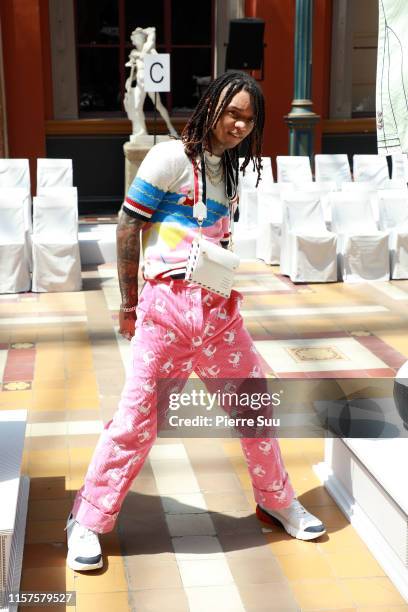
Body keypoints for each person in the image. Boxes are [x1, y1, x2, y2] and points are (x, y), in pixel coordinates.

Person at [66, 71, 325, 571]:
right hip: (166, 314)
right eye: (233, 113)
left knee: (254, 407)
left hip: (220, 316)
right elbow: (128, 223)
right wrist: (128, 304)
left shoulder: (230, 166)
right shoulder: (168, 158)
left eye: (250, 120)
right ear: (211, 105)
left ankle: (275, 498)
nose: (240, 126)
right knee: (137, 420)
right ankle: (88, 519)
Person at [124, 26, 177, 140]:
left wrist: (142, 31)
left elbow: (152, 31)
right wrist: (129, 81)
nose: (136, 41)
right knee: (137, 106)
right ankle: (143, 130)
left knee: (158, 105)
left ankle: (171, 127)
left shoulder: (148, 49)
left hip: (150, 80)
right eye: (135, 38)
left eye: (138, 38)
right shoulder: (134, 53)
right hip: (139, 82)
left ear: (142, 39)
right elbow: (133, 70)